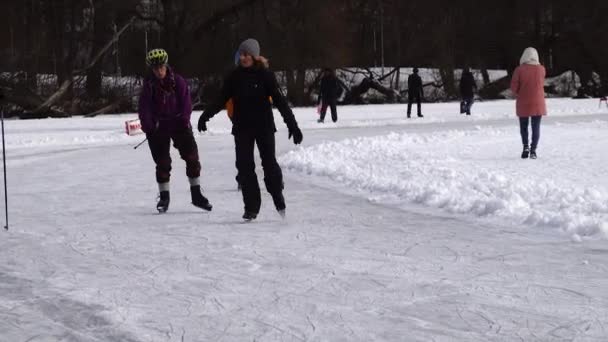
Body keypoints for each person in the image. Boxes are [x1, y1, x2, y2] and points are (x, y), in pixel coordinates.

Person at [197, 39, 303, 221]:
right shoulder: (234, 77)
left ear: (255, 56)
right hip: (242, 127)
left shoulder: (266, 76)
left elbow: (280, 102)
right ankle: (251, 207)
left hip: (264, 126)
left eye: (248, 54)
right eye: (242, 54)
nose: (244, 58)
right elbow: (221, 99)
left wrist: (292, 125)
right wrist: (205, 115)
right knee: (245, 167)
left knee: (269, 164)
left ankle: (277, 194)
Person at [138, 48, 212, 213]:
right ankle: (164, 198)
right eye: (155, 68)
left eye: (161, 67)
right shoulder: (149, 86)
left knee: (192, 157)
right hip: (158, 127)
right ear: (151, 69)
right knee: (163, 162)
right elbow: (144, 109)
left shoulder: (178, 81)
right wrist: (149, 127)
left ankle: (196, 194)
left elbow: (186, 104)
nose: (159, 71)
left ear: (166, 65)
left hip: (179, 124)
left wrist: (184, 121)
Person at [510, 47, 547, 159]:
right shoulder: (541, 69)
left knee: (524, 126)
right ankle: (533, 150)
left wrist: (519, 91)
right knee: (536, 127)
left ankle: (525, 147)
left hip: (523, 101)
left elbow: (513, 88)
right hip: (538, 102)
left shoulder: (519, 70)